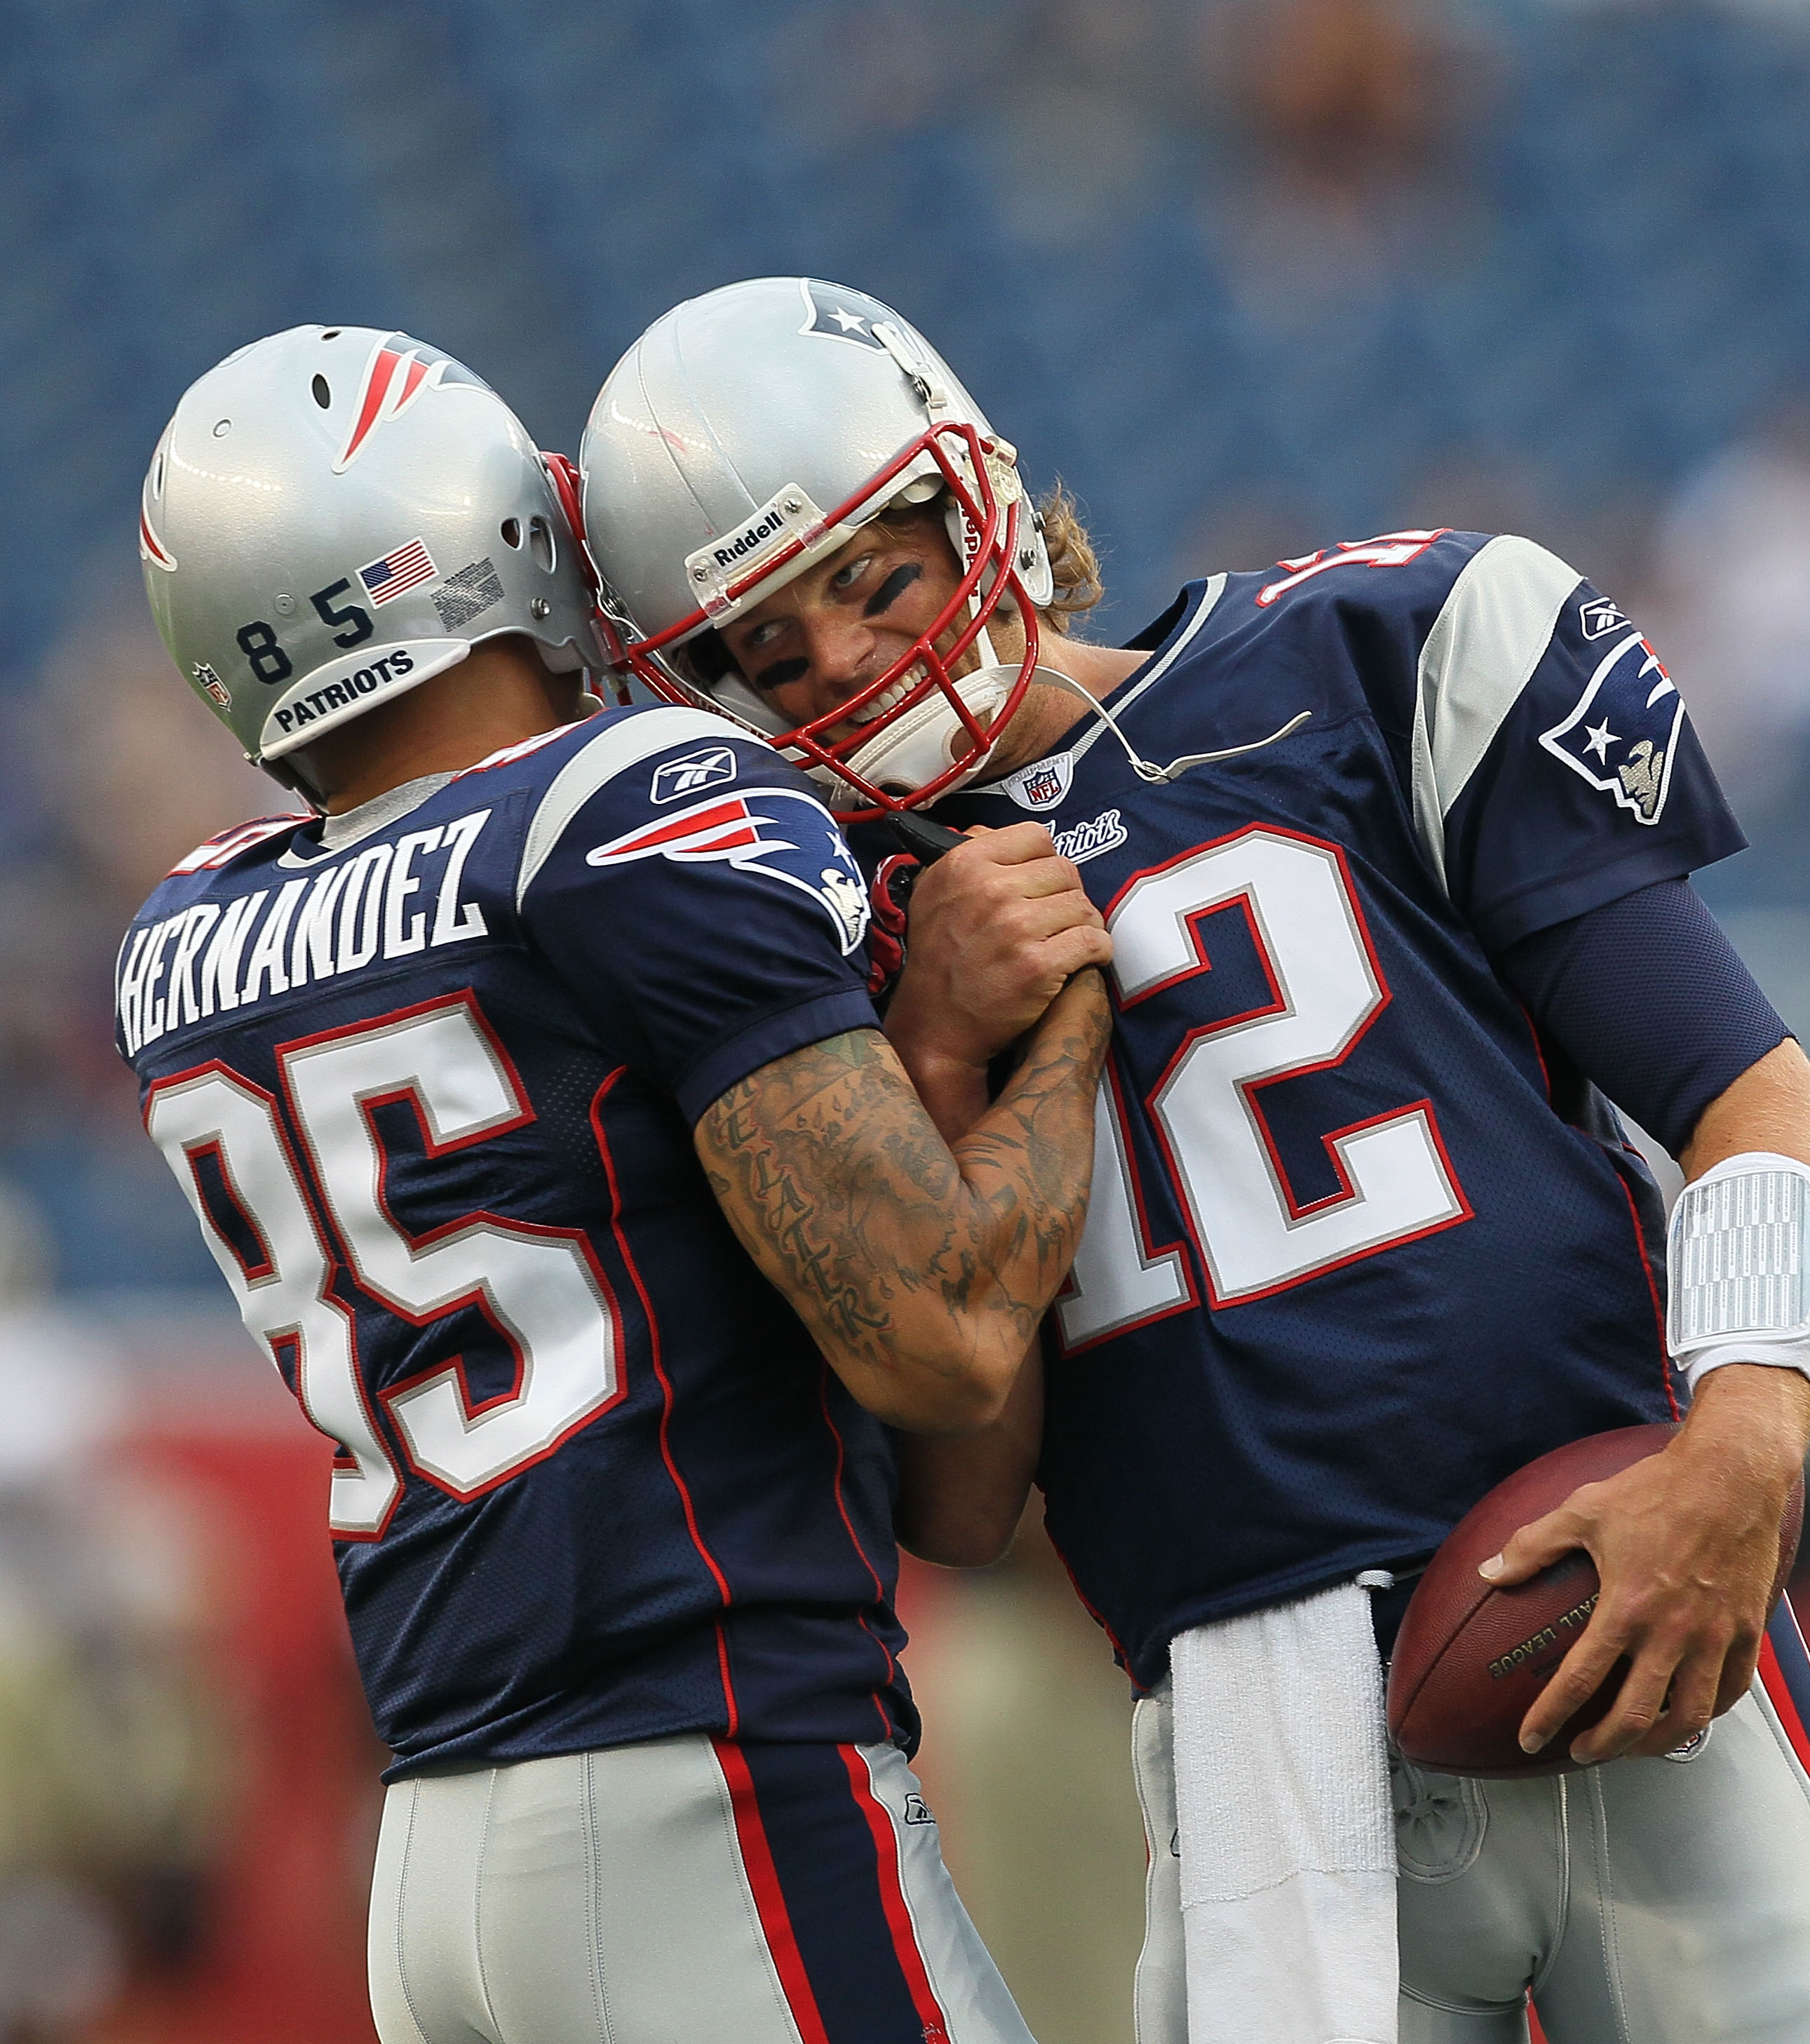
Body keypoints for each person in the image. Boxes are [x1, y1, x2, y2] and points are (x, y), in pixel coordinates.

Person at [578, 278, 1810, 2044]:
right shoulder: (832, 942)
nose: (837, 663)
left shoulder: (1370, 653)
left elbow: (1754, 1103)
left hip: (1624, 1577)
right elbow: (967, 1502)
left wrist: (1742, 1441)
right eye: (768, 647)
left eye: (870, 580)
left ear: (974, 501)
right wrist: (939, 1053)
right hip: (1241, 1727)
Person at [118, 324, 1114, 2044]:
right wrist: (1043, 1022)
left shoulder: (183, 936)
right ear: (506, 541)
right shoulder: (629, 808)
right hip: (700, 1790)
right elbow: (942, 1341)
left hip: (427, 1852)